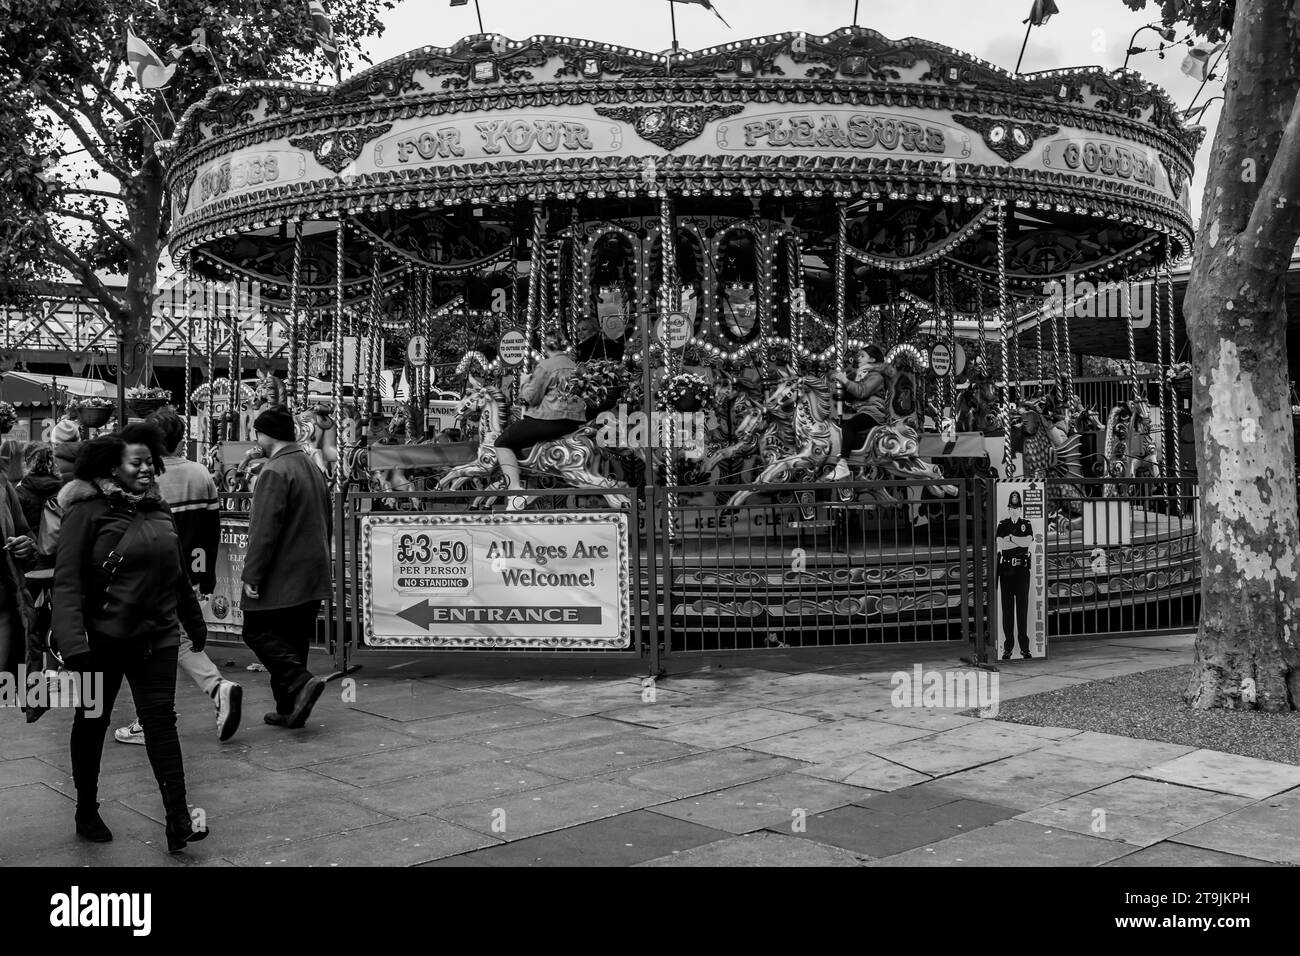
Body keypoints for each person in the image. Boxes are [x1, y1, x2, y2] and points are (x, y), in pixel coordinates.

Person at [53, 426, 210, 851]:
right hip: (99, 642)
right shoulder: (85, 512)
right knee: (91, 723)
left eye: (149, 462)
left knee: (161, 724)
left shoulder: (159, 509)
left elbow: (177, 574)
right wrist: (73, 646)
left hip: (155, 637)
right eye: (135, 463)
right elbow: (66, 583)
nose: (145, 469)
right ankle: (86, 808)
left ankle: (178, 819)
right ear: (111, 468)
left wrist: (193, 621)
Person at [114, 407, 242, 746]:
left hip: (154, 577)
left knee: (152, 645)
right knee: (176, 641)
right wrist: (207, 577)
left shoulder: (147, 478)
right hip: (194, 573)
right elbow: (212, 530)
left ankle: (158, 714)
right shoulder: (201, 473)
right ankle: (213, 691)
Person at [241, 404, 330, 729]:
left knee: (256, 630)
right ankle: (290, 706)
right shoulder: (309, 464)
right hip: (312, 568)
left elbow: (264, 530)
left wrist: (252, 573)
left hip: (284, 571)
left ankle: (298, 680)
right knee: (293, 638)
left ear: (265, 434)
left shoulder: (274, 471)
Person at [494, 330, 587, 511]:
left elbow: (531, 397)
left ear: (546, 346)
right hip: (574, 420)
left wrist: (524, 383)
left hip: (550, 419)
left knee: (502, 441)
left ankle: (515, 492)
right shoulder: (575, 366)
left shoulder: (546, 366)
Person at [832, 346, 893, 470]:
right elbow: (853, 395)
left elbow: (862, 392)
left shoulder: (876, 376)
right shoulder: (861, 375)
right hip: (864, 410)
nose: (858, 358)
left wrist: (846, 381)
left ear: (872, 359)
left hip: (874, 412)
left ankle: (843, 463)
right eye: (858, 356)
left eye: (862, 356)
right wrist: (840, 391)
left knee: (849, 426)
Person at [996, 490, 1035, 661]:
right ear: (1008, 508)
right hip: (1006, 572)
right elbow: (1001, 545)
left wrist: (1011, 538)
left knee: (1022, 609)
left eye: (1017, 507)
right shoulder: (1002, 524)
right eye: (1012, 507)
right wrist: (1016, 541)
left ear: (1021, 509)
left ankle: (1024, 647)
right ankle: (1008, 647)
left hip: (1021, 571)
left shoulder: (1026, 523)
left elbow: (1028, 541)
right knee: (1007, 611)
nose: (1014, 510)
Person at [16, 443, 60, 534]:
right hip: (56, 544)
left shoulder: (20, 491)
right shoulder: (64, 489)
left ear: (28, 462)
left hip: (29, 545)